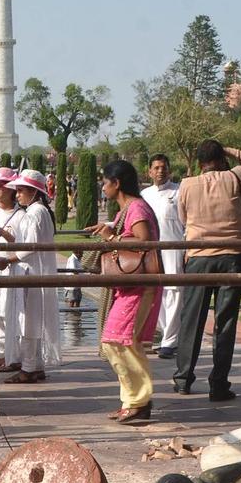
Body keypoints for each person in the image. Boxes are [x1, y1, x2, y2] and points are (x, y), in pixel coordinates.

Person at [172, 140, 241, 400]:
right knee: (225, 323)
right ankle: (219, 383)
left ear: (200, 162)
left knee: (192, 318)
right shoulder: (235, 177)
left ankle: (183, 378)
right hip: (231, 256)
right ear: (222, 158)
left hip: (199, 257)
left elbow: (183, 218)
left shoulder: (187, 184)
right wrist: (233, 149)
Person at [92, 160, 161, 422]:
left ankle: (139, 401)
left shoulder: (137, 207)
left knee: (120, 341)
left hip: (139, 284)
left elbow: (145, 241)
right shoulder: (127, 209)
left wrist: (112, 238)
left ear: (116, 183)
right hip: (130, 285)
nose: (102, 186)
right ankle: (131, 400)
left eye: (104, 181)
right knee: (118, 341)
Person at [3, 170, 60, 383]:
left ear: (33, 192)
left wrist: (8, 259)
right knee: (34, 320)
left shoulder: (36, 213)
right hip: (36, 271)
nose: (17, 195)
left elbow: (31, 247)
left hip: (33, 272)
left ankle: (28, 368)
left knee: (28, 320)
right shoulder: (39, 211)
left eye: (20, 191)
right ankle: (36, 366)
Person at [140, 154, 183, 358]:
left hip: (174, 248)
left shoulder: (179, 191)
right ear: (149, 171)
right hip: (152, 251)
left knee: (174, 293)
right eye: (156, 168)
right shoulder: (144, 195)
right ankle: (168, 335)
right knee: (157, 294)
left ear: (169, 169)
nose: (160, 171)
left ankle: (170, 341)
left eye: (164, 167)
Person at [0, 167, 25, 374]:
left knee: (10, 313)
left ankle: (13, 355)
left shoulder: (21, 215)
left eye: (0, 187)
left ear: (10, 190)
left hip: (11, 267)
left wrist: (7, 236)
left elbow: (26, 245)